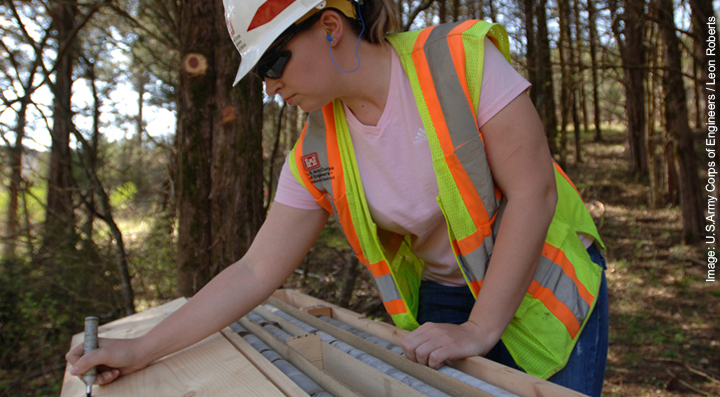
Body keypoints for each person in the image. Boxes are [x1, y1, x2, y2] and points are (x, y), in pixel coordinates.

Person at [67, 0, 609, 396]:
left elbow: (532, 193)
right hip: (448, 294)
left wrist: (479, 328)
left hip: (544, 280)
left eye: (273, 64)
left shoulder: (460, 60)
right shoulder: (316, 150)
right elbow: (256, 270)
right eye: (259, 75)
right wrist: (139, 349)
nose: (269, 88)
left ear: (329, 26)